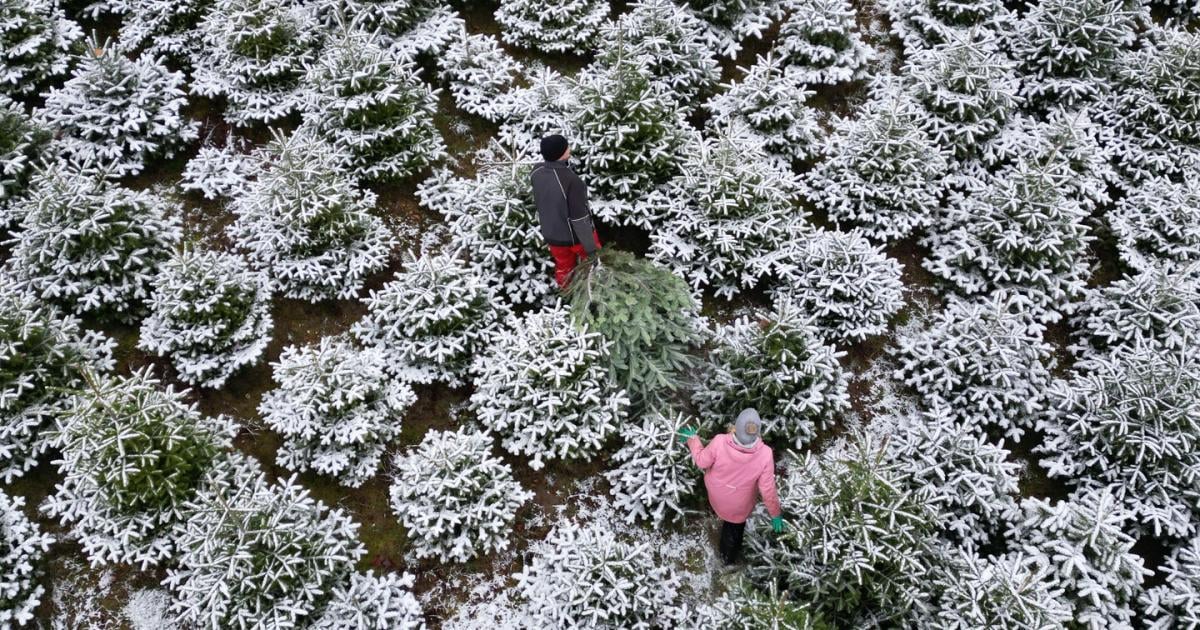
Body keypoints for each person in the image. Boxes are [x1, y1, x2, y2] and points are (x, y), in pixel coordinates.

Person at [679, 408, 784, 566]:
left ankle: (717, 514)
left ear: (735, 427)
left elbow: (701, 461)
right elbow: (767, 489)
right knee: (734, 531)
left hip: (716, 494)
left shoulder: (720, 441)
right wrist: (775, 514)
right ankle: (727, 559)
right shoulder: (765, 454)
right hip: (739, 507)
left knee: (721, 506)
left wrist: (692, 439)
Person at [530, 134, 601, 288]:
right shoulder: (572, 181)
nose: (569, 148)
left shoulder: (537, 171)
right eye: (566, 146)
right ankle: (591, 292)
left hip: (551, 234)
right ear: (560, 153)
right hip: (574, 238)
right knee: (591, 266)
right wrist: (591, 249)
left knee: (563, 267)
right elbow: (579, 219)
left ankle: (565, 291)